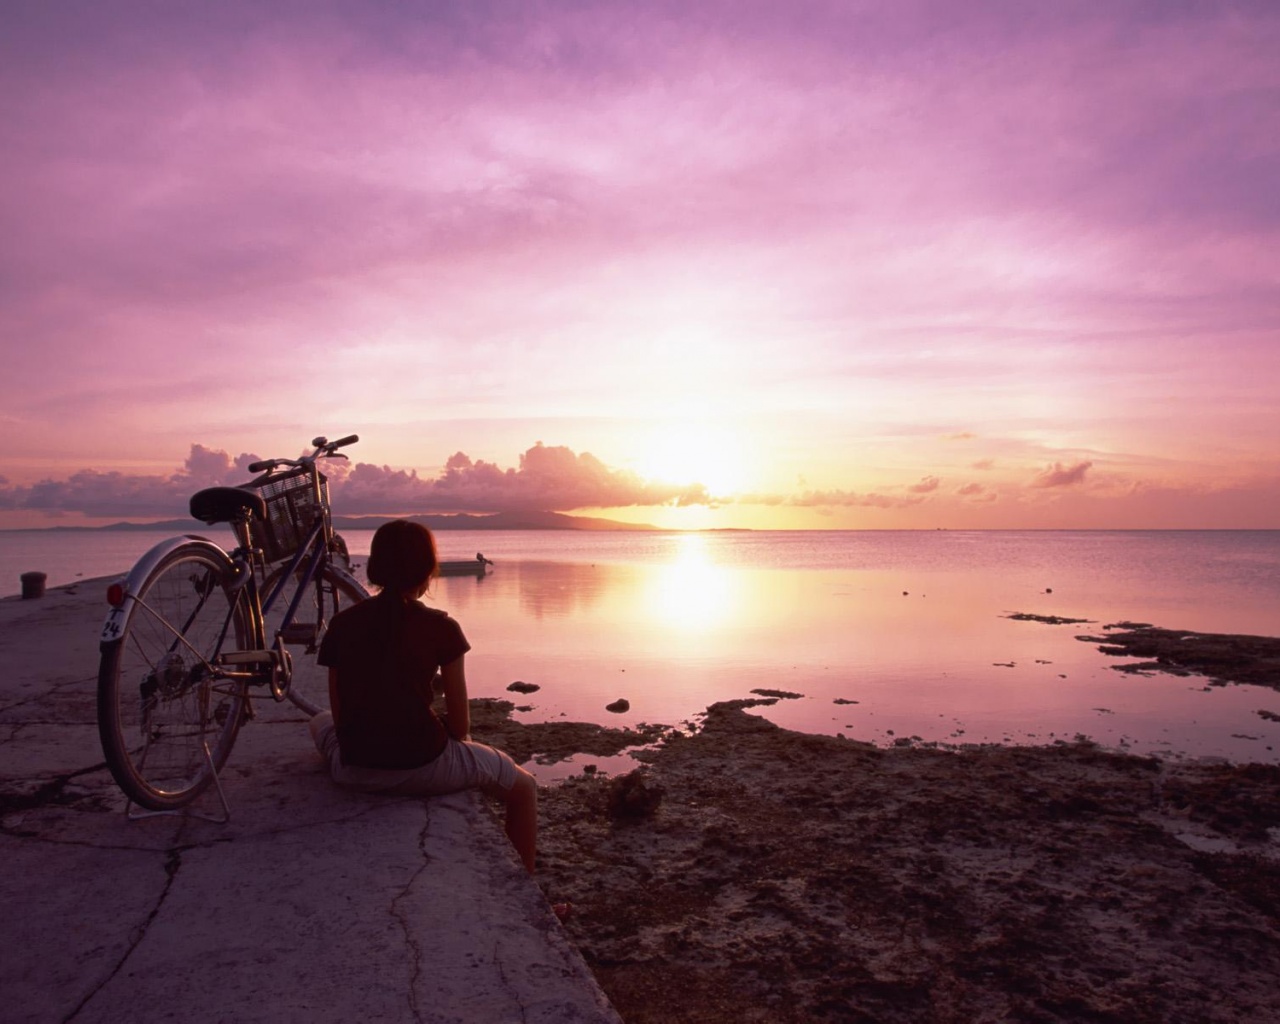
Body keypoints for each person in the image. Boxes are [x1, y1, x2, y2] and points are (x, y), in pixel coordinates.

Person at [309, 520, 538, 873]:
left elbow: (340, 718)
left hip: (352, 768)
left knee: (317, 721)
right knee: (524, 788)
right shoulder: (442, 628)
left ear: (375, 566)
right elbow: (460, 727)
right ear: (428, 569)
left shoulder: (342, 624)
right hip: (422, 767)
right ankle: (528, 883)